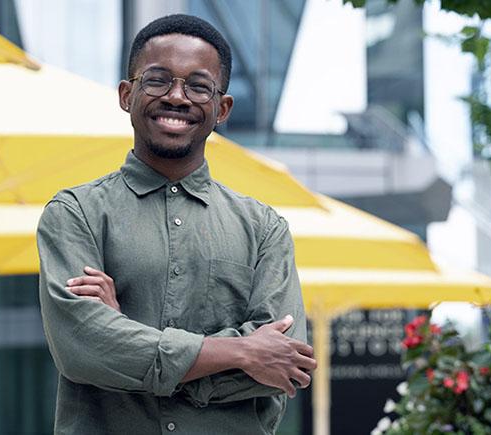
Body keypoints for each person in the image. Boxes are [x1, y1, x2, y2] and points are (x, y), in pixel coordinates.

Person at [37, 14, 316, 435]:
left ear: (221, 108)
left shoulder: (264, 230)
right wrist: (242, 352)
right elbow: (85, 350)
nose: (177, 97)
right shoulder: (75, 213)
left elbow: (285, 364)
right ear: (126, 95)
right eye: (158, 80)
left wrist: (129, 338)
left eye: (198, 86)